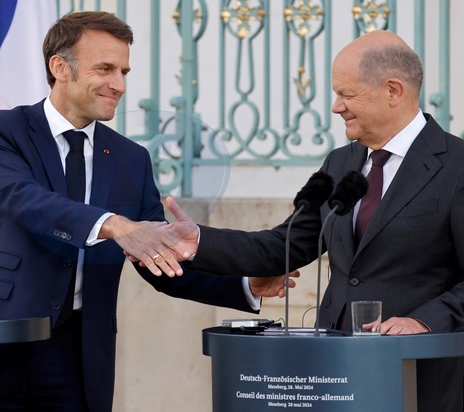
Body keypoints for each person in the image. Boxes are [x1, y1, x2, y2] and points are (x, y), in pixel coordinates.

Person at [0, 11, 295, 412]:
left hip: (79, 356)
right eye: (105, 69)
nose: (119, 85)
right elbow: (24, 199)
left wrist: (245, 284)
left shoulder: (131, 159)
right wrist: (115, 226)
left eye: (124, 72)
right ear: (60, 68)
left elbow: (157, 257)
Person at [141, 30, 464, 411]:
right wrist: (200, 240)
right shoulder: (340, 162)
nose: (336, 107)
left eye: (346, 94)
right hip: (334, 373)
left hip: (419, 374)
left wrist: (424, 322)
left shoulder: (456, 166)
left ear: (393, 91)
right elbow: (284, 244)